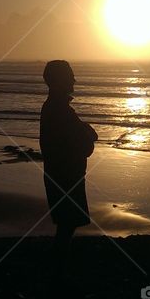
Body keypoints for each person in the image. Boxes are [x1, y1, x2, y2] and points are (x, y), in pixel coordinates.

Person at [40, 60, 98, 279]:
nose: (74, 80)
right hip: (65, 176)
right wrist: (89, 134)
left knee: (67, 224)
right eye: (70, 76)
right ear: (60, 80)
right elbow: (82, 145)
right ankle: (58, 272)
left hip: (62, 175)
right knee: (67, 224)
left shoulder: (56, 108)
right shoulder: (60, 110)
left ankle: (58, 269)